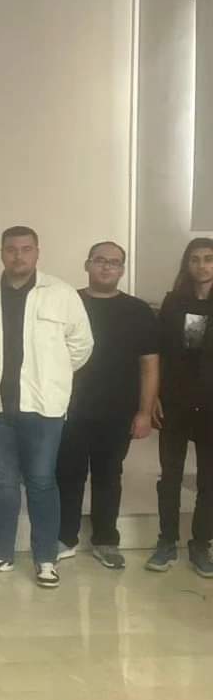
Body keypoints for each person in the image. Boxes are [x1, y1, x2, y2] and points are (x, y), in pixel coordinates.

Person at [0, 227, 94, 588]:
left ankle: (45, 558)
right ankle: (0, 553)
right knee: (2, 481)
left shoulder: (61, 293)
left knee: (41, 480)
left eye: (26, 249)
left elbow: (81, 345)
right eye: (11, 249)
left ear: (37, 252)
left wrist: (53, 377)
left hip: (43, 406)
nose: (18, 256)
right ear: (1, 252)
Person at [55, 242, 158, 571]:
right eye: (100, 260)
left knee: (108, 475)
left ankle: (105, 541)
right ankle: (65, 538)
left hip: (118, 410)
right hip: (70, 408)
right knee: (68, 474)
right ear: (87, 264)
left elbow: (149, 365)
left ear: (122, 270)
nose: (106, 267)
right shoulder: (67, 303)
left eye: (114, 262)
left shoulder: (138, 311)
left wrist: (144, 412)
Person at [148, 237, 213, 576]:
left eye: (209, 259)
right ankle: (167, 542)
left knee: (209, 481)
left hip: (211, 404)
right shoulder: (173, 303)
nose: (202, 266)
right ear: (186, 264)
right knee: (170, 476)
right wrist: (153, 395)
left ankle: (201, 544)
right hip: (174, 401)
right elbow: (158, 352)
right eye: (195, 259)